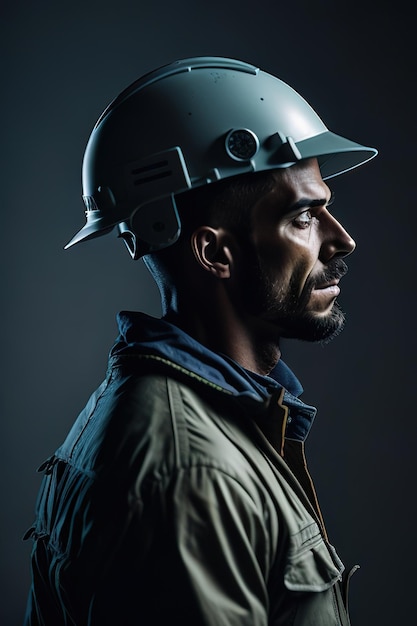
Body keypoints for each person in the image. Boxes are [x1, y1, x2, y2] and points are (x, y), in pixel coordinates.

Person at [24, 57, 377, 625]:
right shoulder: (189, 474)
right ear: (216, 253)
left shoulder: (186, 417)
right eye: (304, 217)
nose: (343, 240)